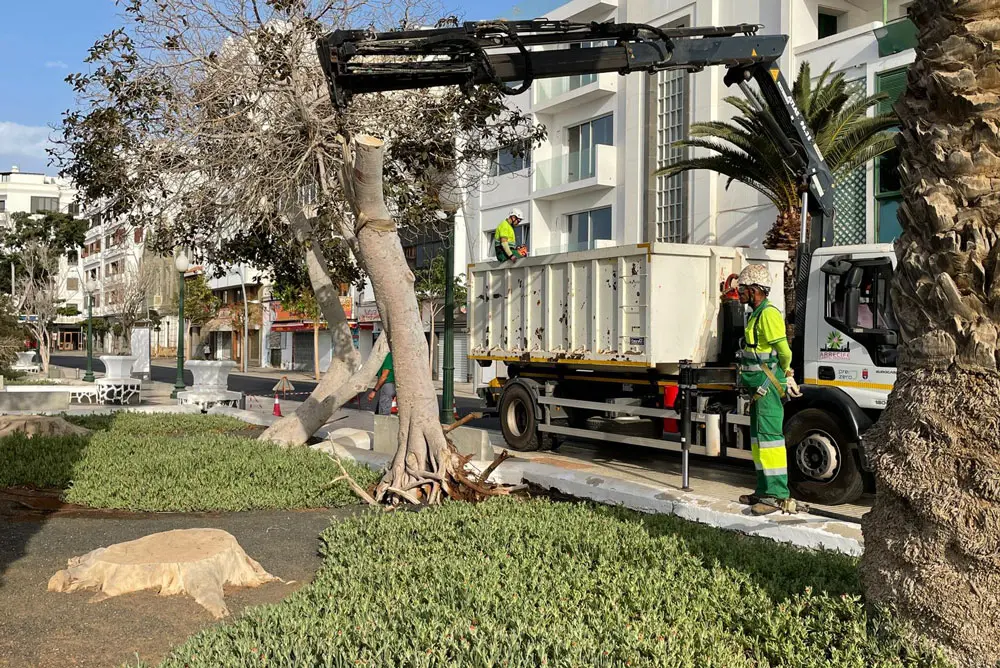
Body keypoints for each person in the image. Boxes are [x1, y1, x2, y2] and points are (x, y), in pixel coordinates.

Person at [735, 264, 802, 516]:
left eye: (742, 289)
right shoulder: (755, 313)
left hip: (767, 387)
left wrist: (786, 372)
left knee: (771, 441)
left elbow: (784, 351)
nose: (739, 293)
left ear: (754, 290)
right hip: (758, 389)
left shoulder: (768, 314)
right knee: (759, 441)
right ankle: (763, 490)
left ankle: (777, 494)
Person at [368, 349, 395, 415]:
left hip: (388, 385)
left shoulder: (388, 356)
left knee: (384, 412)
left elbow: (384, 376)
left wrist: (374, 391)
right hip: (390, 385)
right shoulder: (390, 356)